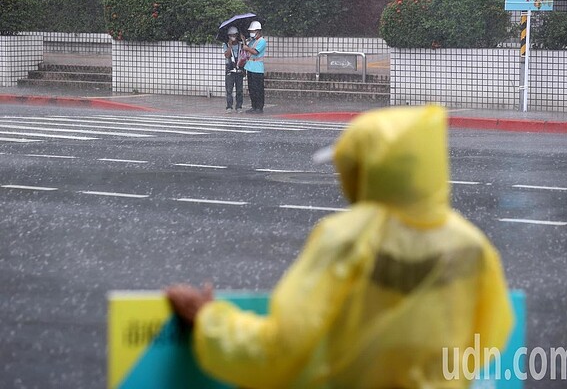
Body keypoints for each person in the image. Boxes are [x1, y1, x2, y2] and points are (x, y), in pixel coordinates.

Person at [166, 105, 515, 389]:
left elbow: (280, 350)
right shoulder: (472, 246)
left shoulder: (347, 238)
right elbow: (491, 337)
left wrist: (208, 322)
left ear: (366, 170)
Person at [242, 21, 267, 114]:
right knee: (251, 88)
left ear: (258, 31)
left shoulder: (262, 41)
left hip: (258, 67)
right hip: (250, 66)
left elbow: (255, 52)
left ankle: (259, 107)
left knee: (258, 89)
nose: (251, 33)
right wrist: (244, 41)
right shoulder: (252, 41)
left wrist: (247, 48)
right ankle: (254, 106)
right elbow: (247, 50)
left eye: (253, 31)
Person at [222, 26, 244, 113]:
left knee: (239, 89)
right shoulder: (225, 45)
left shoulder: (241, 45)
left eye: (234, 35)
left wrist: (244, 41)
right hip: (230, 69)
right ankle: (229, 107)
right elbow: (227, 55)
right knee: (229, 90)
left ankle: (239, 106)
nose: (233, 37)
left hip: (239, 68)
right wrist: (230, 46)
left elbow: (244, 55)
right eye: (231, 35)